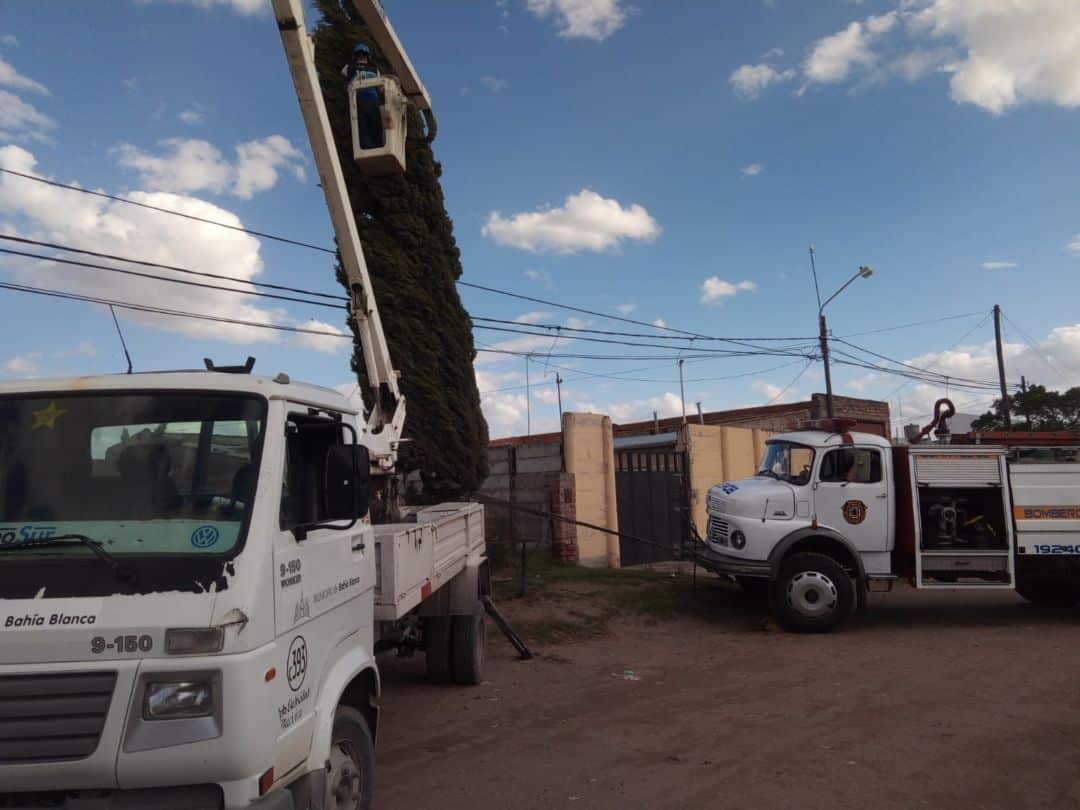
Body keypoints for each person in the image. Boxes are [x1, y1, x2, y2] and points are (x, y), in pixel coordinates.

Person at [342, 43, 384, 150]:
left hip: (360, 101)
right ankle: (375, 145)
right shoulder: (374, 70)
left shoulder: (349, 68)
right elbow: (380, 89)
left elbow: (345, 83)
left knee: (365, 125)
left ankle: (369, 146)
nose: (361, 57)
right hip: (369, 101)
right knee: (372, 125)